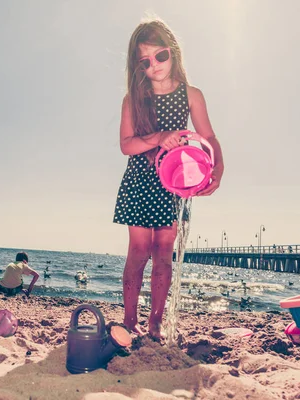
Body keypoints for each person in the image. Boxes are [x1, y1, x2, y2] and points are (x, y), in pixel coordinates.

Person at [113, 18, 224, 338]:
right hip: (140, 180)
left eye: (160, 56)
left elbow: (209, 137)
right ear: (137, 66)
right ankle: (130, 319)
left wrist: (219, 168)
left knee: (163, 252)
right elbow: (126, 145)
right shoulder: (133, 100)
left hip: (174, 181)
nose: (155, 65)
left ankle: (156, 323)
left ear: (173, 52)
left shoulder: (191, 95)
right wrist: (159, 137)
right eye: (145, 62)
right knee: (138, 250)